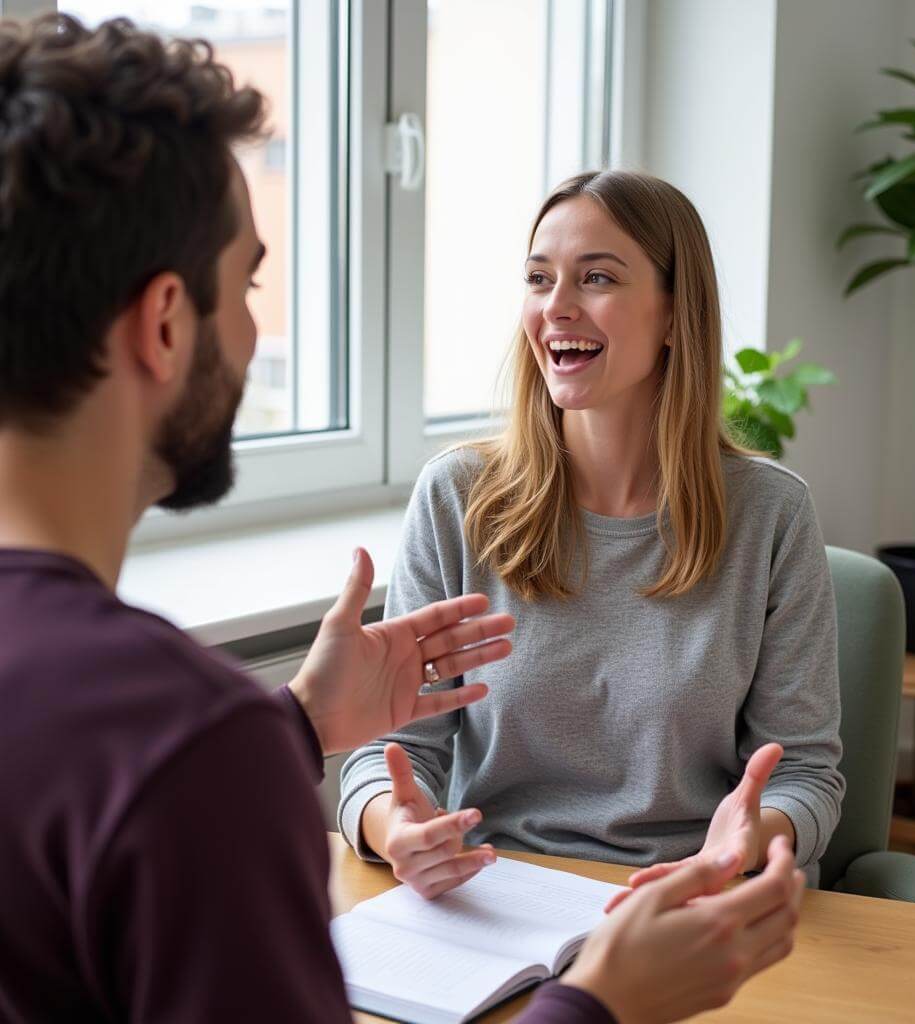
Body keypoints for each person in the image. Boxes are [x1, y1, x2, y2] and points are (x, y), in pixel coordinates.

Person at [0, 14, 804, 1024]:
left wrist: (292, 726)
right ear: (165, 324)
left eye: (596, 276)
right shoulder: (188, 744)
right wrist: (598, 1004)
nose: (258, 333)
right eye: (247, 282)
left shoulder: (183, 740)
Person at [340, 170, 845, 899]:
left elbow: (802, 772)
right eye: (539, 279)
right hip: (498, 894)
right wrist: (398, 831)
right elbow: (390, 751)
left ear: (675, 315)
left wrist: (752, 839)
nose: (557, 307)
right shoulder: (457, 500)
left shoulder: (771, 516)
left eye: (597, 278)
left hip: (691, 897)